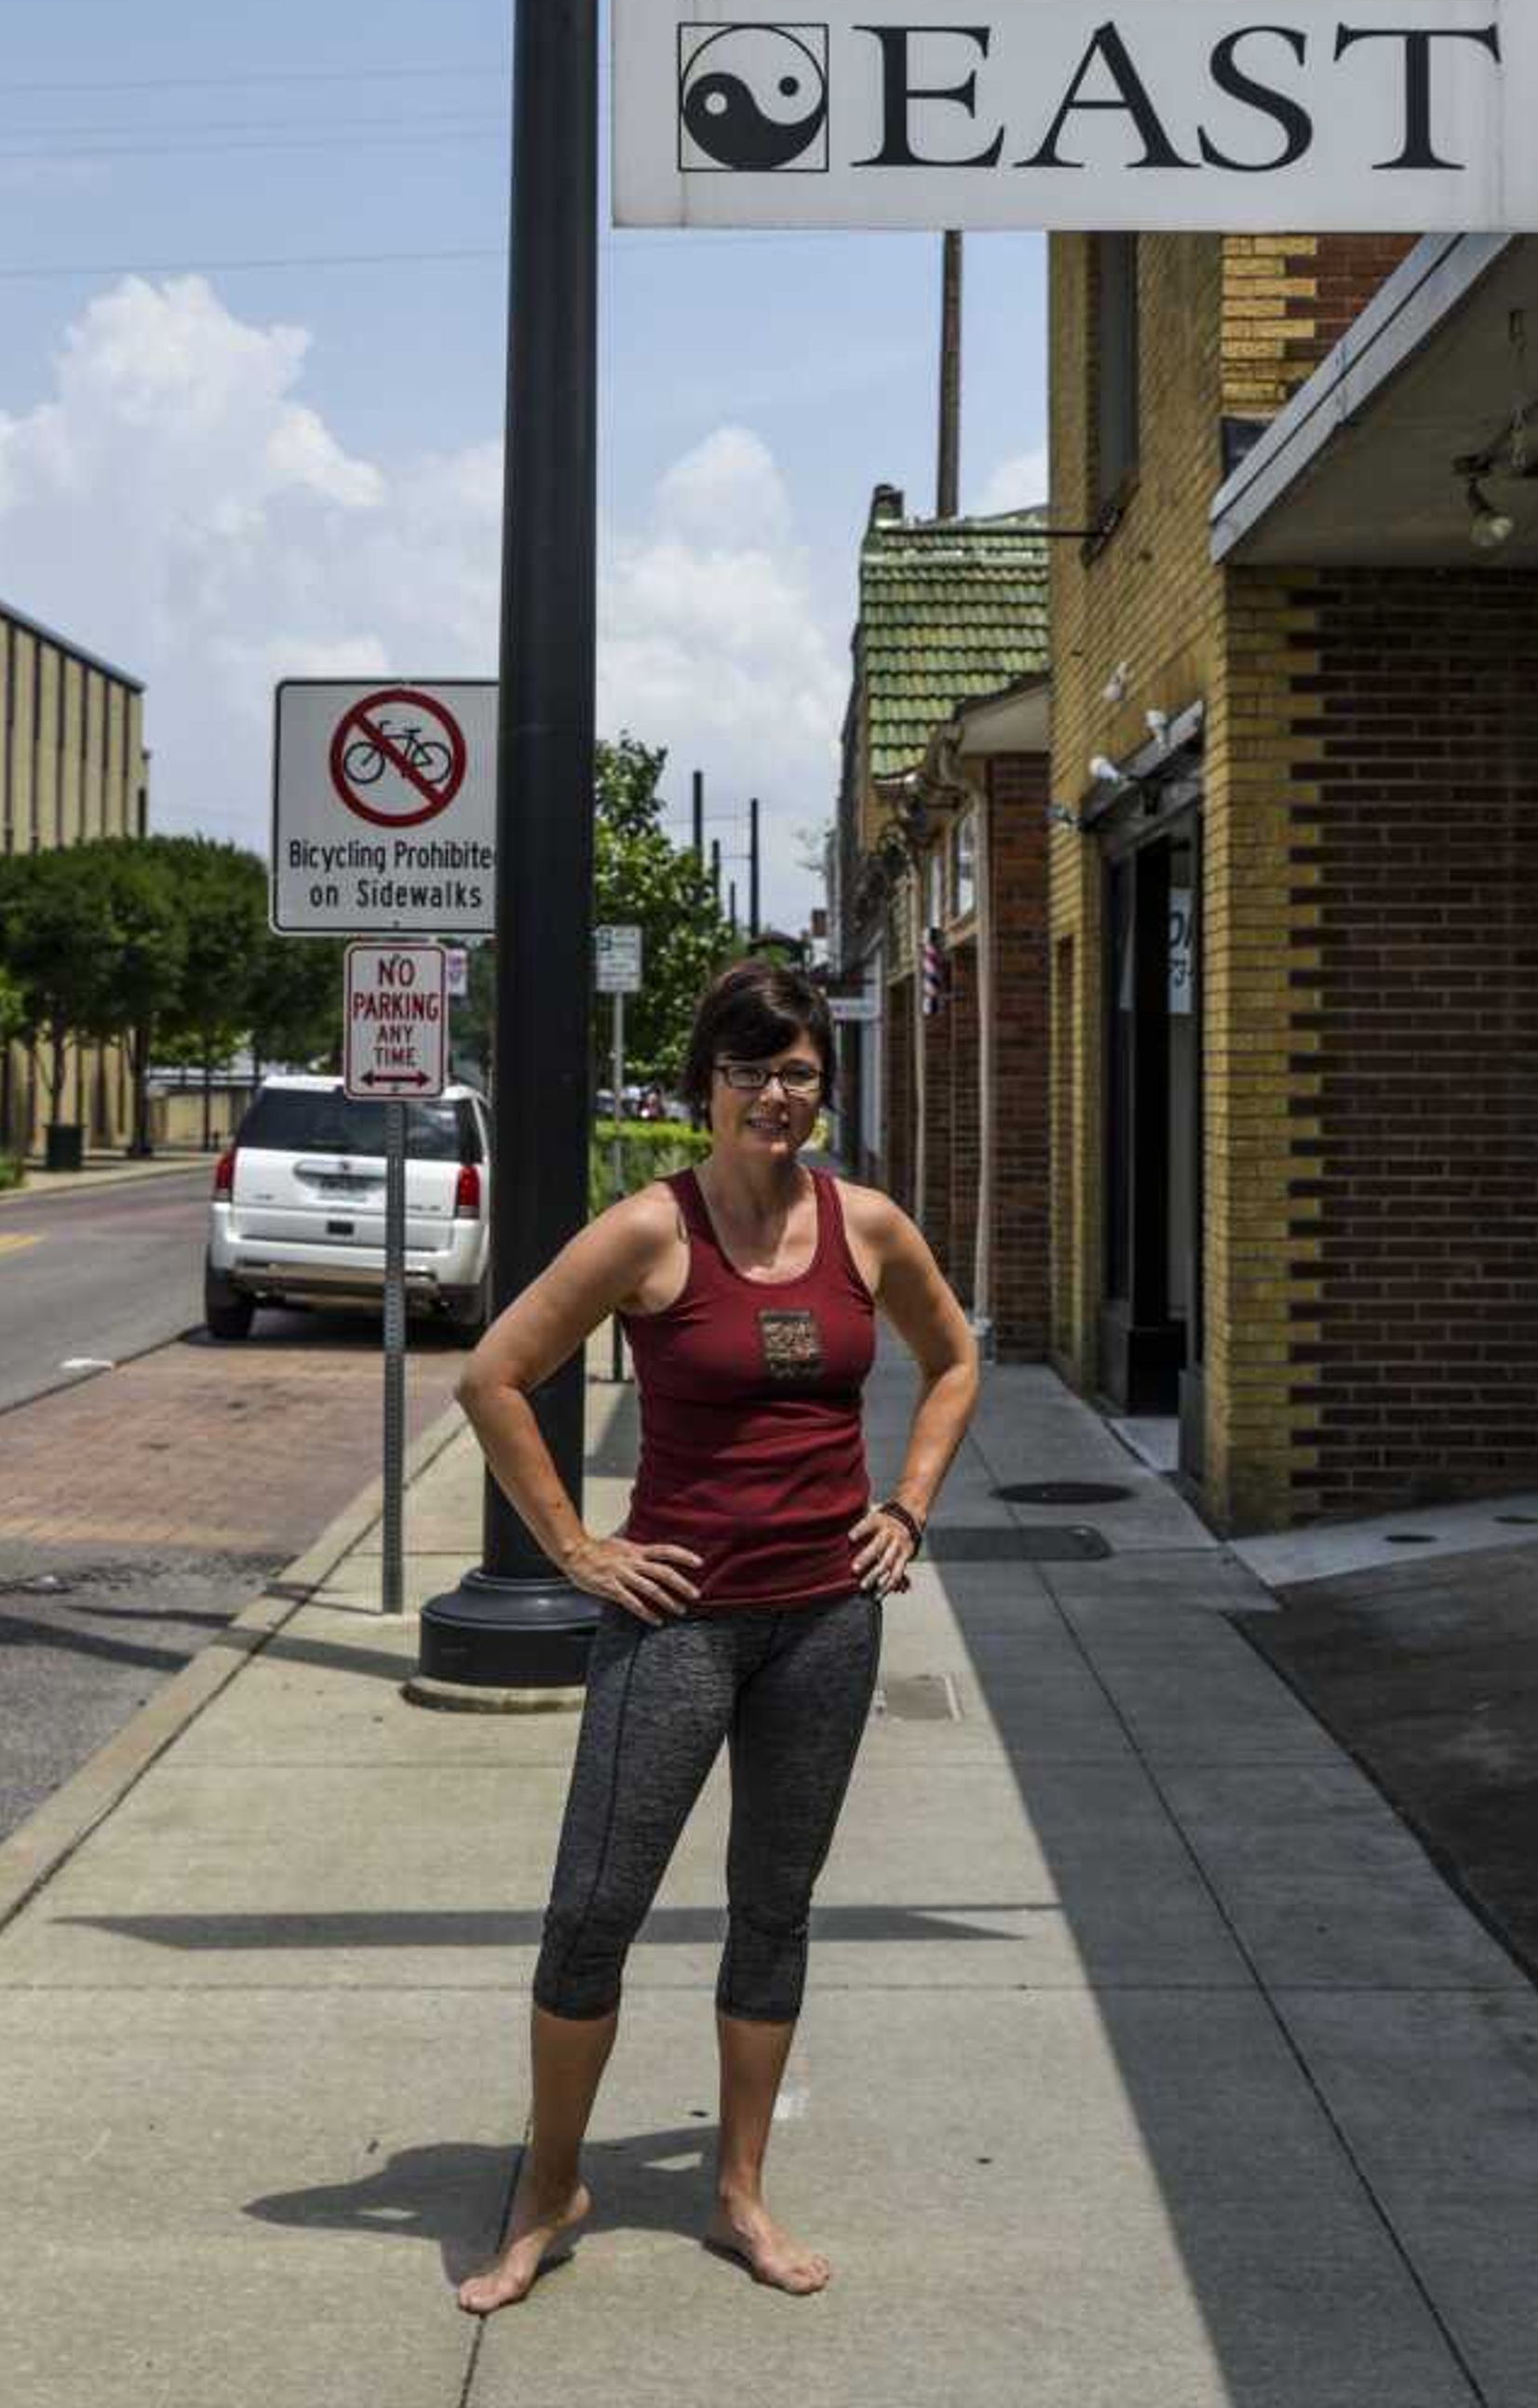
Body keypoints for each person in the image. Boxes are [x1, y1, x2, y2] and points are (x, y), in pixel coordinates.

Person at [453, 957, 978, 2313]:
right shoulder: (649, 1231)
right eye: (747, 1069)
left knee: (773, 1905)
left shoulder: (867, 1225)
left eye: (798, 1070)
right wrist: (578, 1549)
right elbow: (494, 1372)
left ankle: (739, 2188)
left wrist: (907, 1505)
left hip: (823, 1619)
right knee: (592, 1910)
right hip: (679, 1620)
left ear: (823, 1086)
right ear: (706, 1084)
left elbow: (955, 1356)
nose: (774, 1093)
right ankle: (549, 2184)